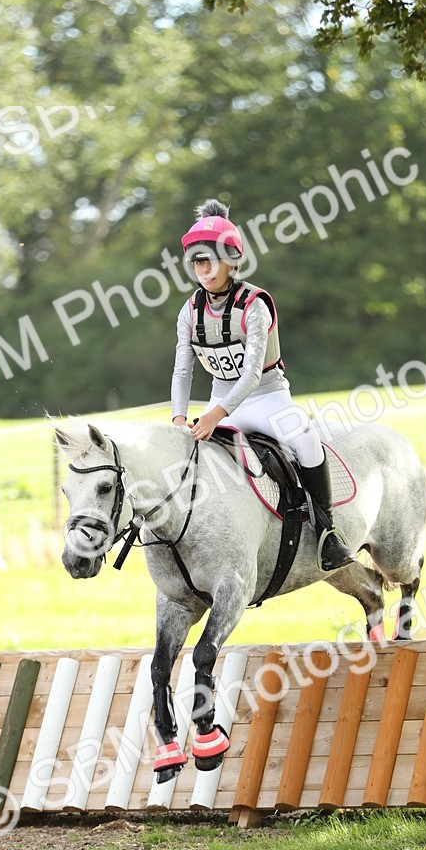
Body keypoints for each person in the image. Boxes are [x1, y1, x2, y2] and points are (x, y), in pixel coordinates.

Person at [171, 198, 355, 572]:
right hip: (220, 399)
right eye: (197, 262)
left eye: (209, 260)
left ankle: (328, 534)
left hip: (268, 398)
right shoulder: (190, 311)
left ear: (231, 262)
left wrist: (213, 417)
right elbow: (182, 370)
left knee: (304, 438)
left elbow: (253, 373)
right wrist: (178, 418)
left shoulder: (255, 305)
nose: (202, 269)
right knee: (179, 457)